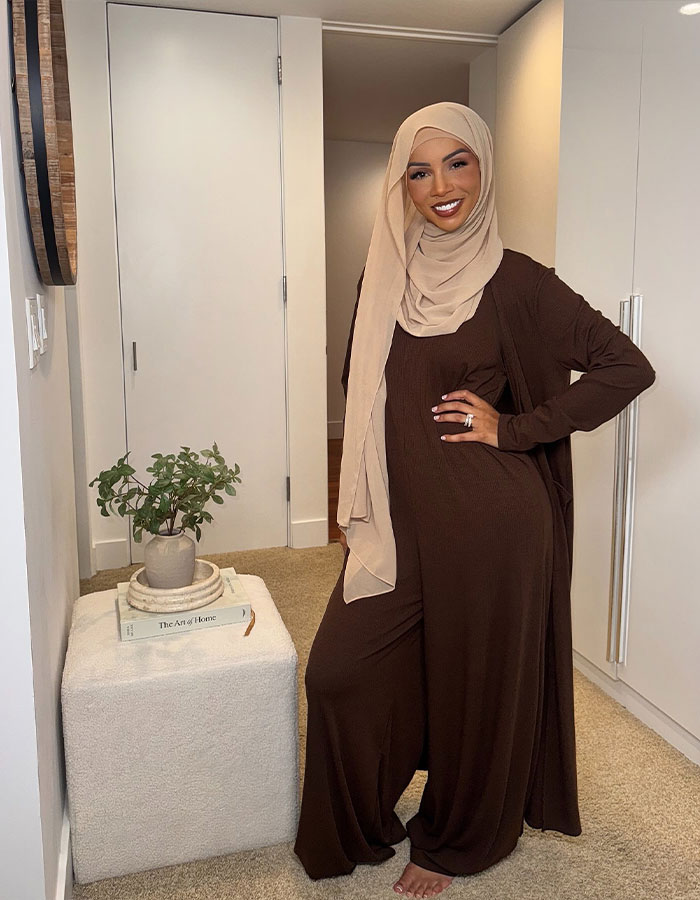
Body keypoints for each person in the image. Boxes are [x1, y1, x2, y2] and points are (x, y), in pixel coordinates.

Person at [293, 102, 656, 898]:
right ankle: (361, 819)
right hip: (398, 522)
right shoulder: (385, 273)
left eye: (458, 163)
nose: (440, 186)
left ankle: (457, 838)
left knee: (474, 687)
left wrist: (518, 428)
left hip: (492, 525)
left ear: (484, 169)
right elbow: (361, 388)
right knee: (339, 671)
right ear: (402, 185)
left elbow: (626, 367)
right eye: (418, 171)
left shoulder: (518, 280)